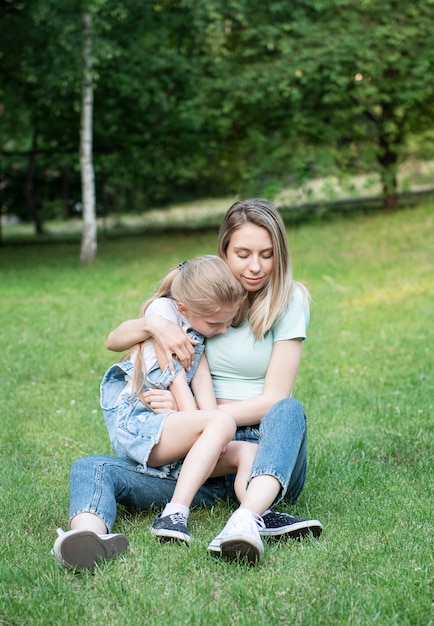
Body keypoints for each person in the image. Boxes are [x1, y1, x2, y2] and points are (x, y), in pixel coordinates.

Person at [53, 198, 322, 569]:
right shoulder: (203, 294)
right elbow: (127, 336)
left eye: (267, 254)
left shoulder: (289, 300)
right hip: (196, 460)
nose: (256, 266)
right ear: (223, 251)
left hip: (262, 454)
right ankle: (87, 537)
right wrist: (152, 325)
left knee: (288, 409)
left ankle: (248, 517)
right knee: (92, 467)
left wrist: (195, 415)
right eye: (242, 253)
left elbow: (273, 398)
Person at [53, 255, 257, 568]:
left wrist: (213, 430)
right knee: (220, 423)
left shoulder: (196, 329)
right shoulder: (164, 317)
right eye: (217, 323)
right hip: (138, 423)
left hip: (169, 432)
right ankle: (160, 517)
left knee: (247, 451)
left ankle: (253, 514)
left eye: (228, 322)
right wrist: (203, 424)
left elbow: (201, 381)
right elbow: (173, 374)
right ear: (186, 309)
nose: (223, 329)